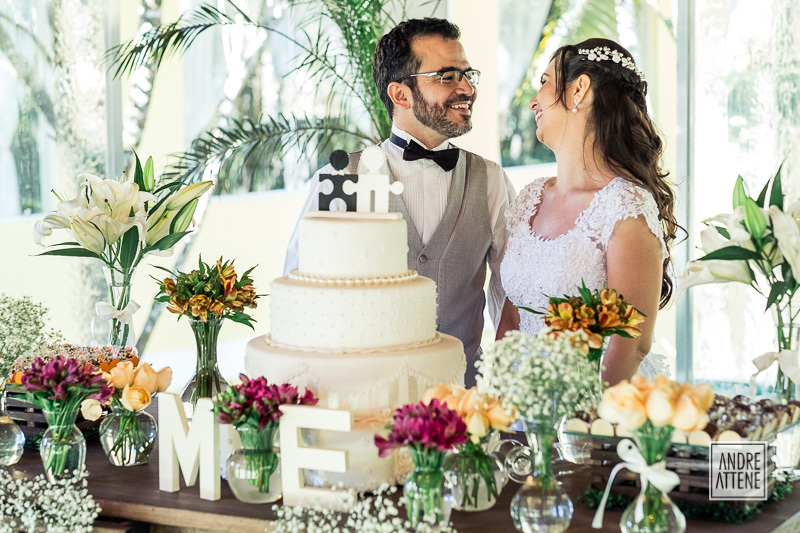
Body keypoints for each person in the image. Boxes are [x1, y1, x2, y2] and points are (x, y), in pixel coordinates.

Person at [284, 18, 517, 387]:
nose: (467, 88)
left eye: (467, 74)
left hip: (460, 401)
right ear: (400, 94)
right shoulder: (343, 178)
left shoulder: (490, 180)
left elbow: (511, 295)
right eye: (447, 76)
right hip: (362, 394)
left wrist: (508, 388)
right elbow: (305, 289)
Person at [496, 38, 679, 386]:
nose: (534, 100)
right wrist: (497, 404)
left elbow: (633, 341)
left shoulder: (625, 205)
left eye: (545, 82)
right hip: (522, 410)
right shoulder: (531, 198)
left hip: (601, 410)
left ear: (579, 89)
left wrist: (577, 422)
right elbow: (512, 317)